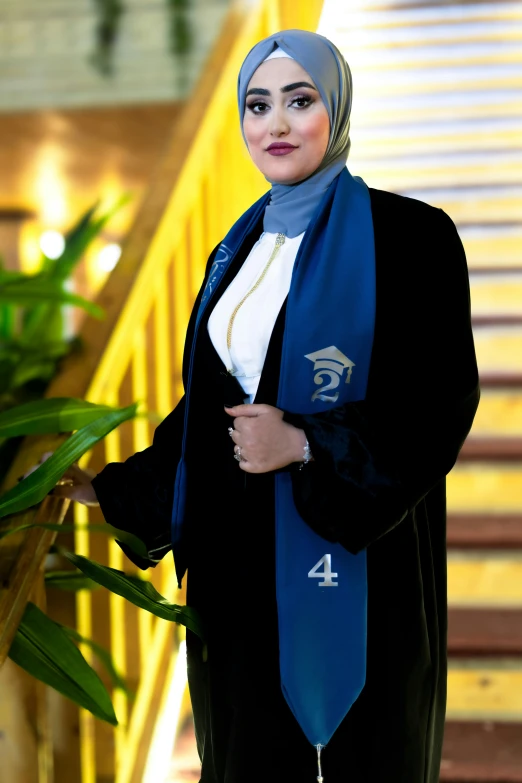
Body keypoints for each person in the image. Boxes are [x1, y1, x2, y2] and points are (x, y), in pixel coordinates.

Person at [53, 29, 480, 783]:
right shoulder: (237, 247)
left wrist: (310, 443)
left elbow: (437, 401)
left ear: (337, 109)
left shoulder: (413, 237)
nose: (275, 124)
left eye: (300, 100)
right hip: (239, 568)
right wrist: (117, 486)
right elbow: (213, 403)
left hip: (357, 557)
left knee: (369, 755)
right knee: (250, 755)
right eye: (257, 104)